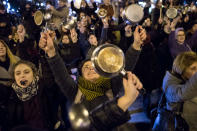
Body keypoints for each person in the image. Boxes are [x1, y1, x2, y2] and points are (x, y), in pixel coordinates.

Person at [39, 26, 146, 130]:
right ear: (81, 74)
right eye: (86, 67)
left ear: (101, 71)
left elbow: (125, 65)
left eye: (94, 67)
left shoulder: (111, 84)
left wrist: (136, 44)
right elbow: (60, 74)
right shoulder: (75, 90)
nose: (90, 69)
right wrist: (51, 52)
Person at [154, 51, 197, 131]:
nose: (195, 72)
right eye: (193, 68)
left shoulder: (185, 78)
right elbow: (183, 93)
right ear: (182, 69)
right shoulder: (170, 83)